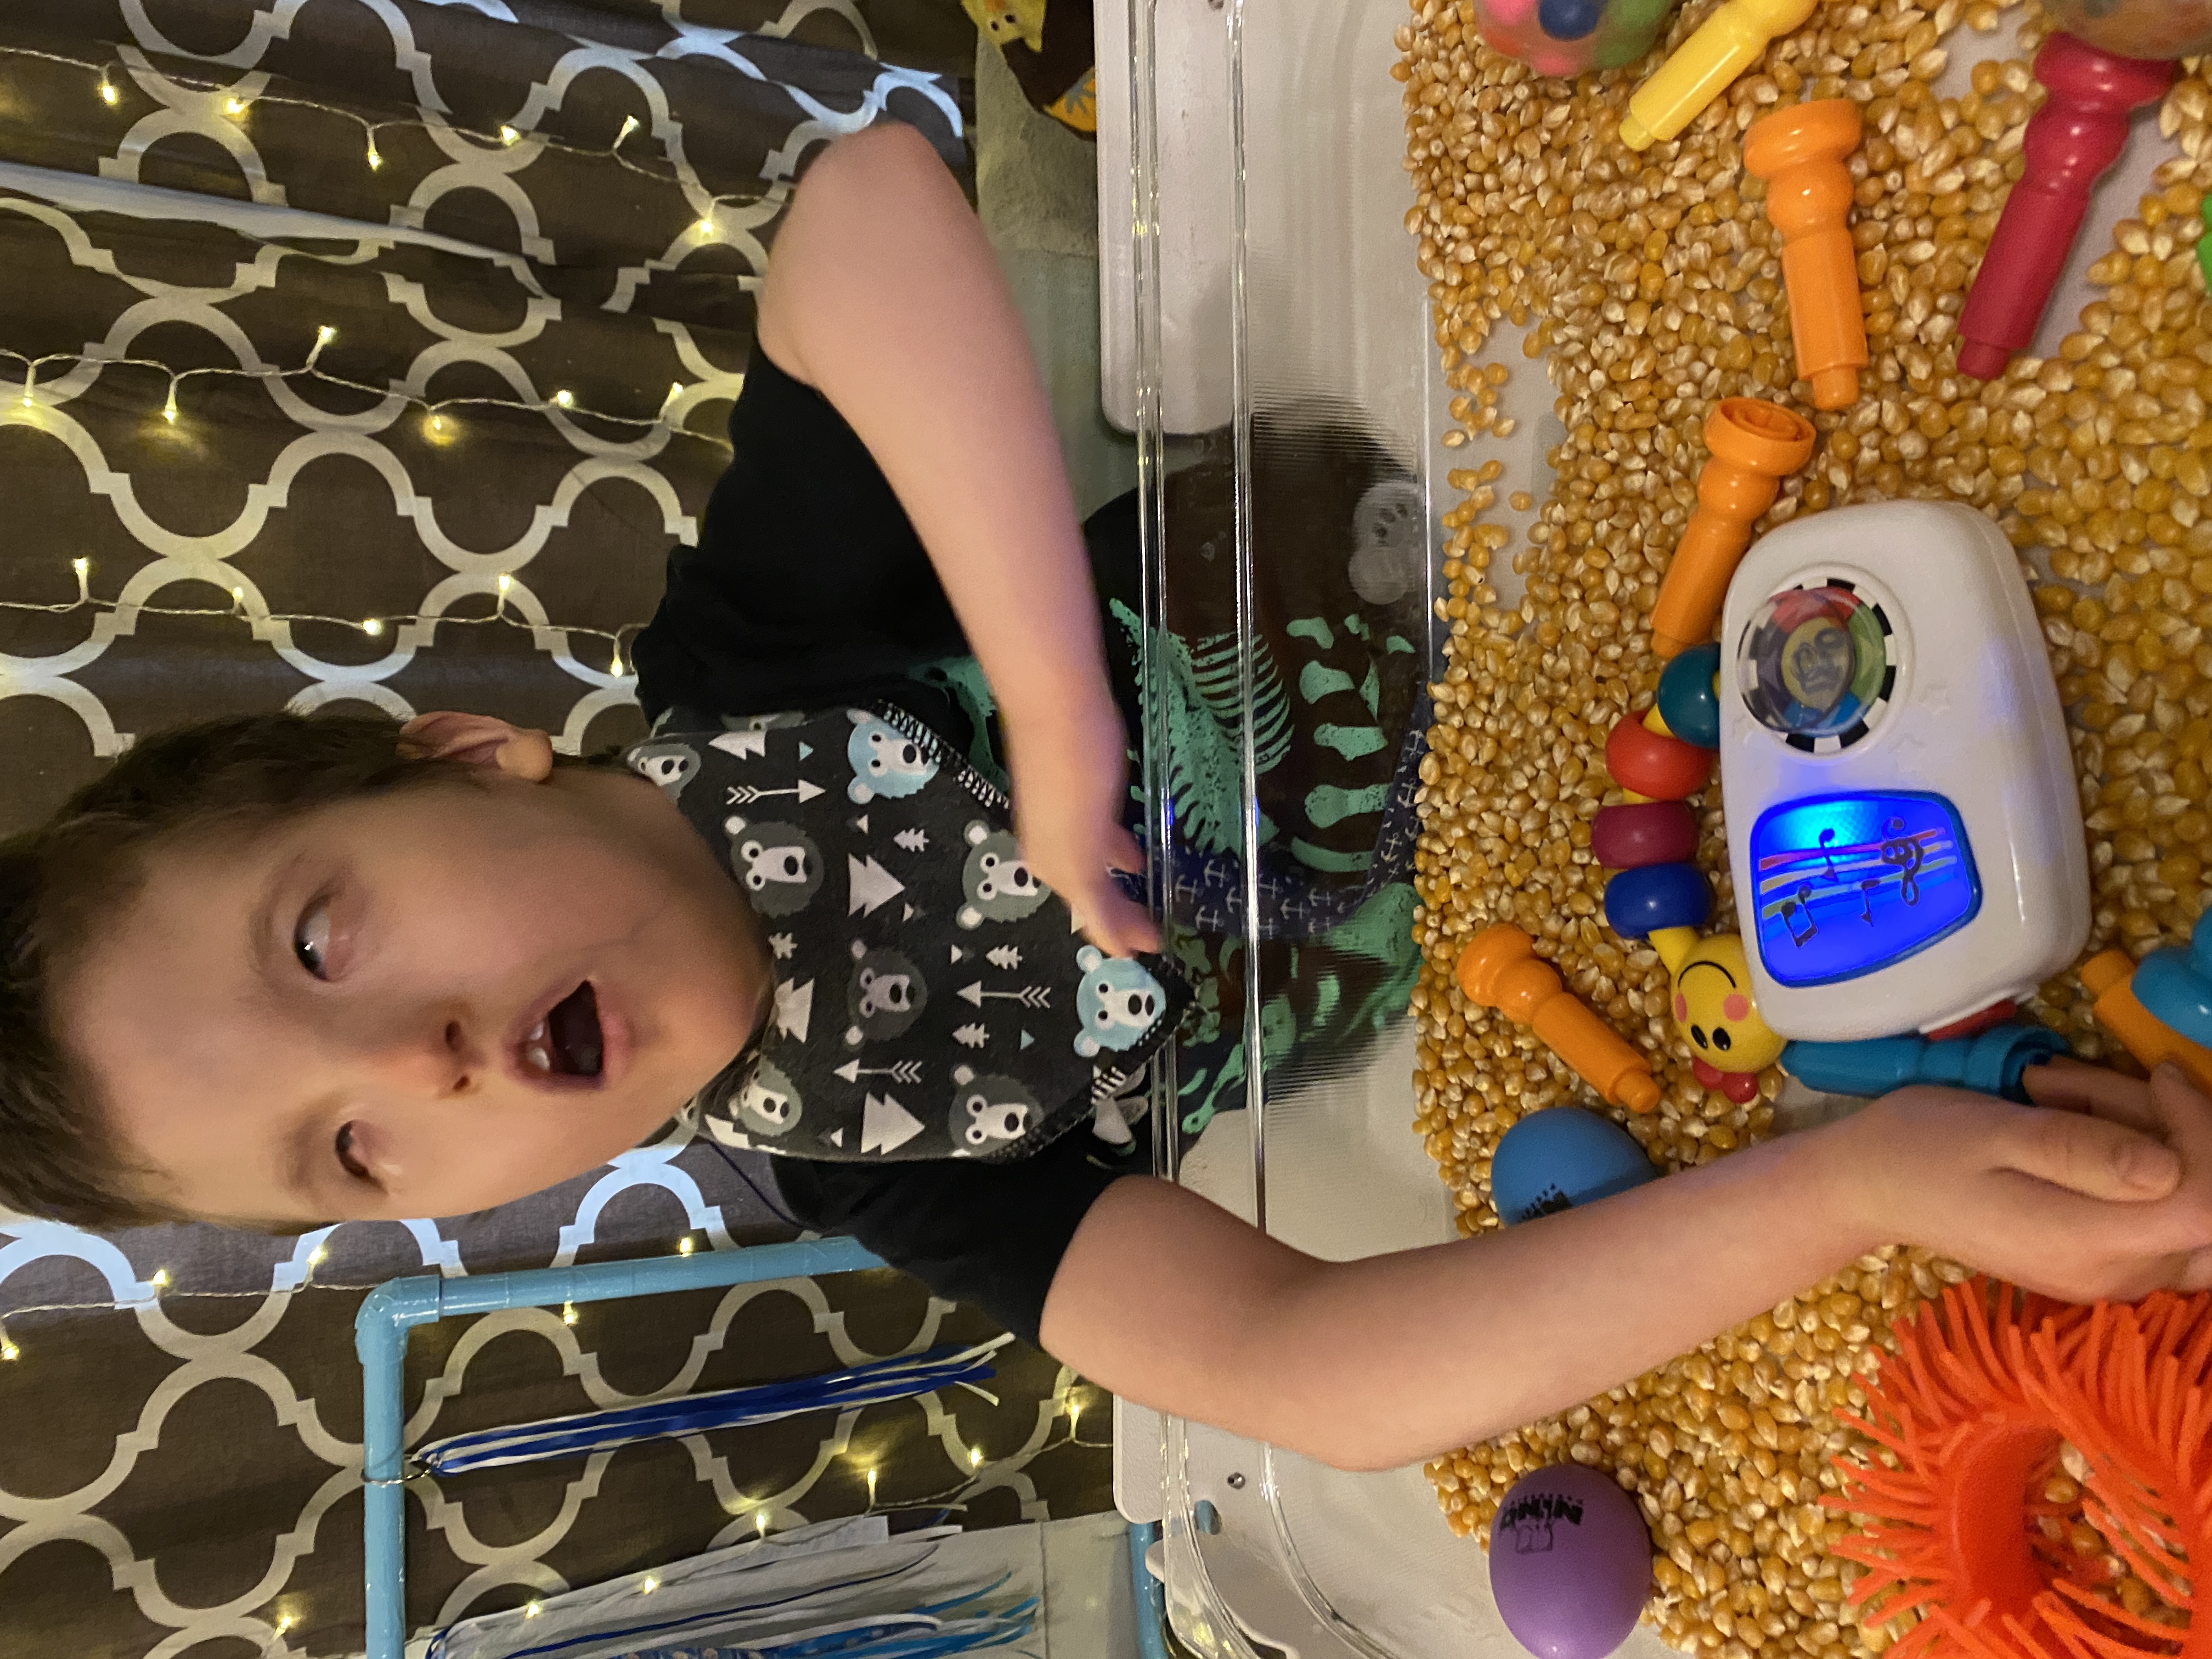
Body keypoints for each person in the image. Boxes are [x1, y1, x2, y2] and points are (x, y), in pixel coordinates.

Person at [6, 124, 2212, 1476]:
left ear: (459, 752)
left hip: (1511, 510)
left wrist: (1053, 722)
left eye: (323, 944)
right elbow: (1308, 1373)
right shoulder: (870, 1164)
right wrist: (1868, 1186)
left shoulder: (755, 677)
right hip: (1617, 895)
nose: (421, 1062)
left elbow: (867, 212)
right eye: (357, 1147)